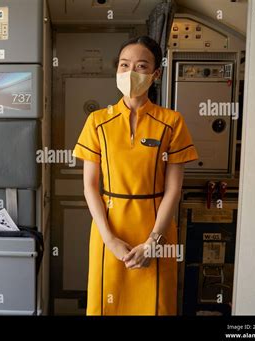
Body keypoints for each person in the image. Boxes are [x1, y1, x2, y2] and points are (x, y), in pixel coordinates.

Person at [72, 36, 199, 315]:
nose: (131, 73)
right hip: (109, 229)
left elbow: (173, 191)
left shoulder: (172, 122)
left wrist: (152, 243)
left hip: (156, 229)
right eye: (124, 65)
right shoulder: (97, 121)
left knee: (155, 306)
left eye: (141, 66)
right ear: (117, 70)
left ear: (156, 74)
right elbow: (90, 188)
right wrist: (110, 240)